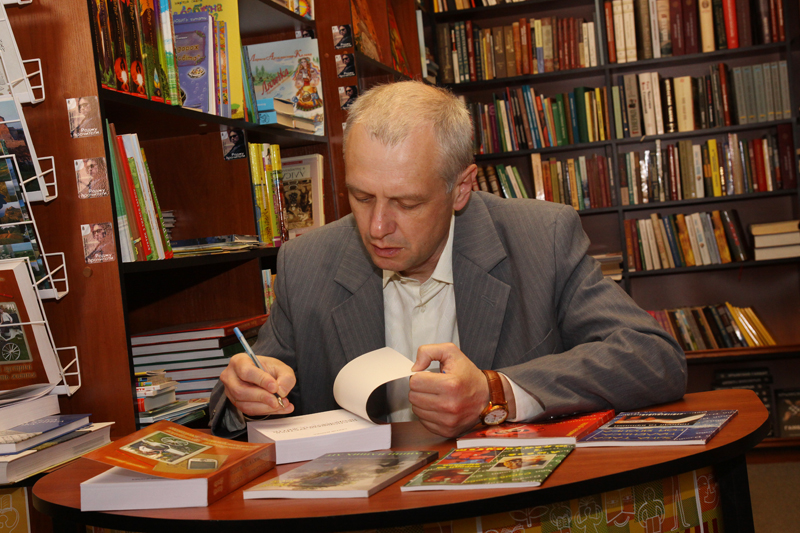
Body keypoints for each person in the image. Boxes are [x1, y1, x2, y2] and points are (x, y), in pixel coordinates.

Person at [212, 81, 686, 439]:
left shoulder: (542, 239)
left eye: (407, 203)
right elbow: (246, 397)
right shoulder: (306, 262)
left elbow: (652, 357)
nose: (376, 227)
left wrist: (495, 392)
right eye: (361, 197)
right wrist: (246, 394)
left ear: (461, 188)